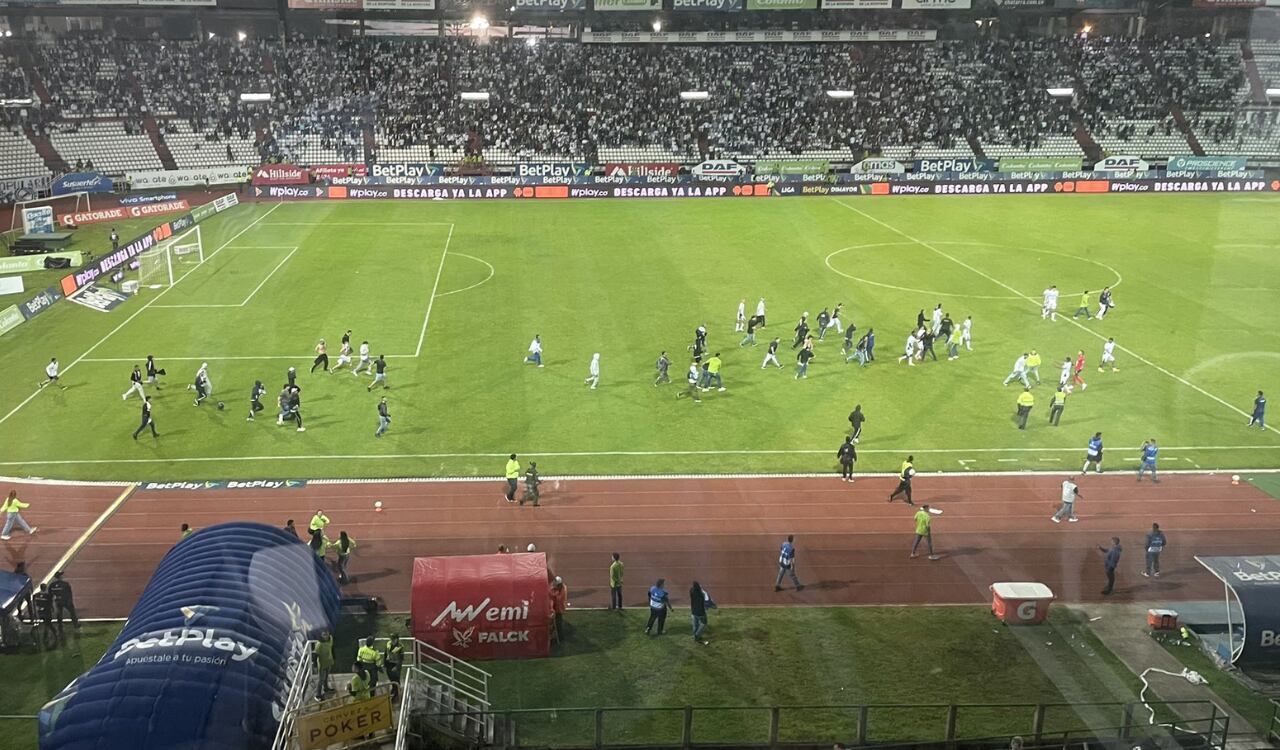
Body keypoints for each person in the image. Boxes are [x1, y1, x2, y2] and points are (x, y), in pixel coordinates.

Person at [313, 630, 335, 698]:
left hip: (329, 662)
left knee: (326, 677)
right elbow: (315, 655)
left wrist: (334, 657)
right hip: (322, 664)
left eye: (327, 634)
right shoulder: (319, 644)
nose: (326, 636)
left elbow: (331, 648)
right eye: (324, 635)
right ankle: (318, 694)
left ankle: (326, 688)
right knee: (321, 680)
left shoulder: (330, 639)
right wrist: (315, 666)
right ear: (321, 635)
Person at [549, 576, 568, 642]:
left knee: (558, 624)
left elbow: (558, 598)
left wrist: (554, 593)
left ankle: (560, 638)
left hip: (559, 609)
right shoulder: (557, 588)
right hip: (555, 608)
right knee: (553, 624)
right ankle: (553, 637)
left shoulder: (563, 589)